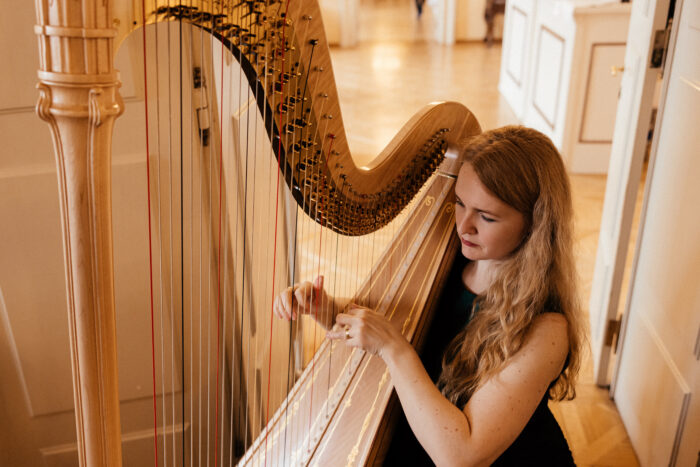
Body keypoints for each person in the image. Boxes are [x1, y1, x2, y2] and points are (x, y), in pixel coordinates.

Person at [273, 125, 584, 465]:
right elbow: (401, 332)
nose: (463, 226)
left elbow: (461, 456)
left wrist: (393, 349)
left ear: (535, 224)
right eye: (460, 203)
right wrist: (326, 308)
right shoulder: (449, 259)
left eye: (486, 216)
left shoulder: (547, 328)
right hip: (431, 425)